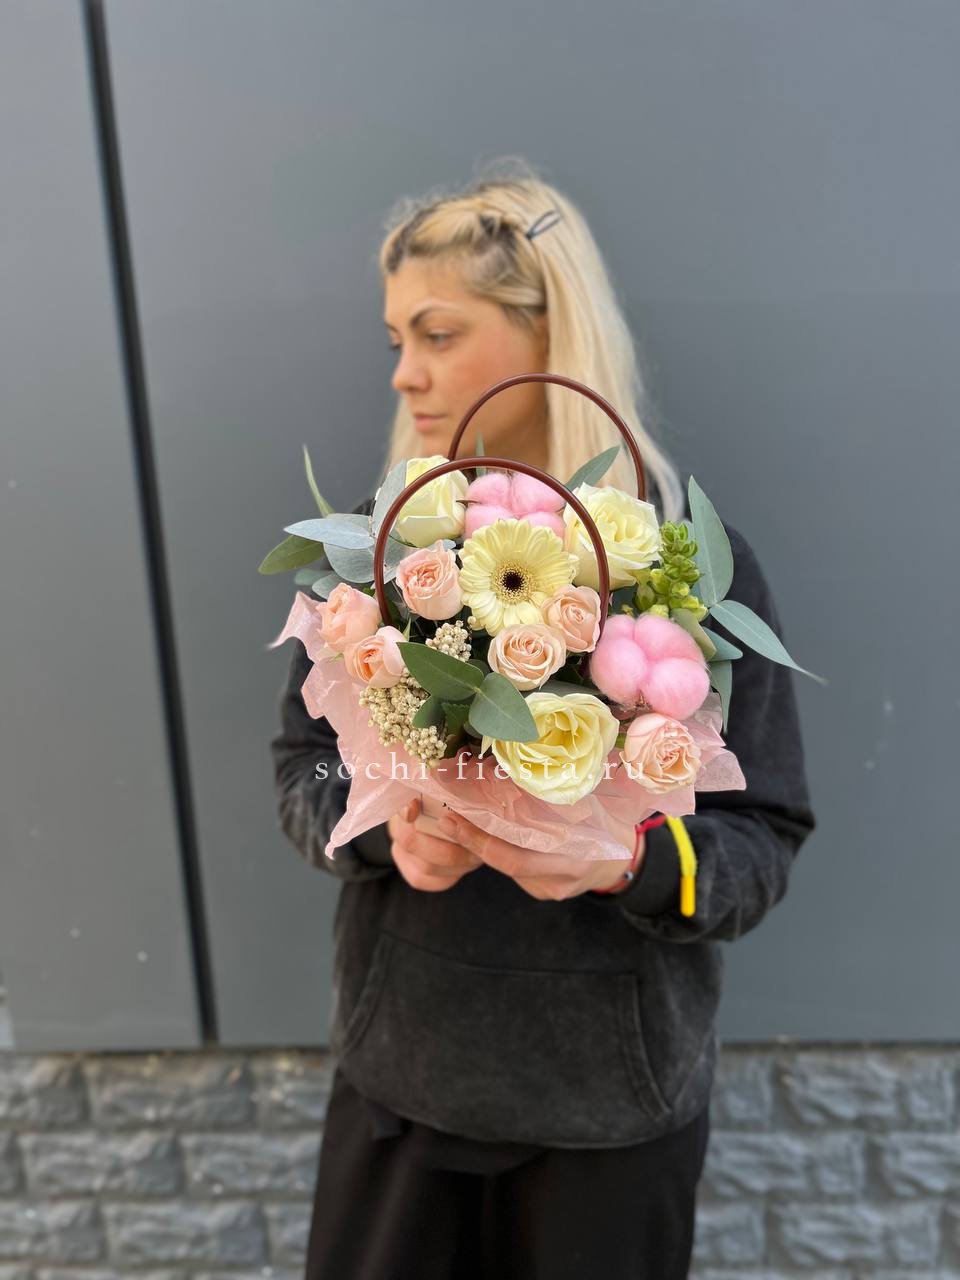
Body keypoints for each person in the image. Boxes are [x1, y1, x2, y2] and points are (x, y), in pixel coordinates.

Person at [269, 159, 816, 1280]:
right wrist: (380, 829)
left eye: (438, 334)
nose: (406, 373)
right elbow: (302, 770)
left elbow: (761, 838)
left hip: (611, 1114)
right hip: (402, 1088)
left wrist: (628, 861)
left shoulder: (680, 564)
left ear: (549, 330)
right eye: (397, 340)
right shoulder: (384, 550)